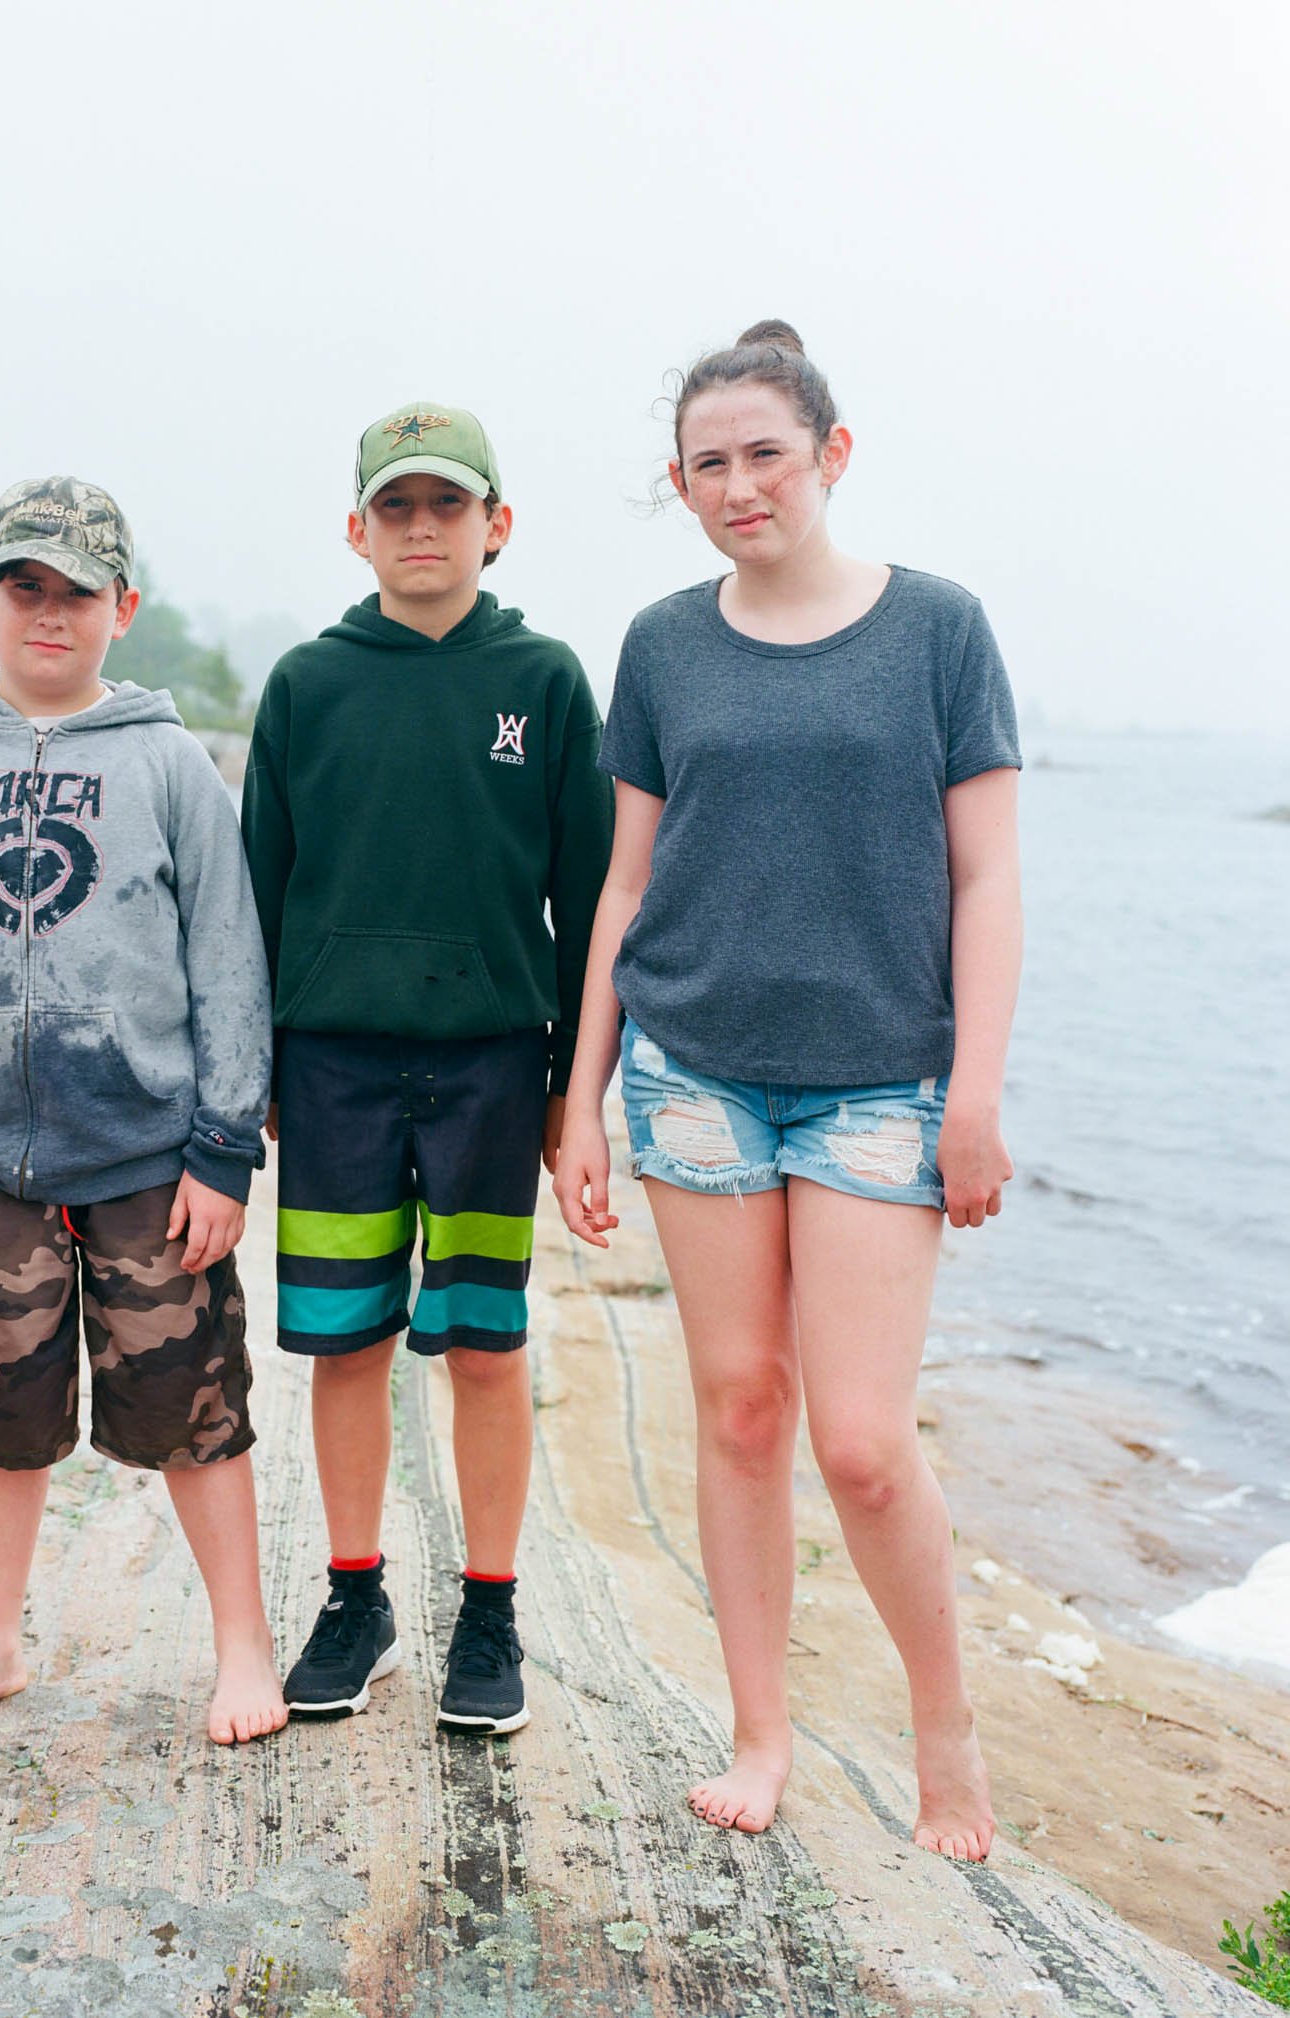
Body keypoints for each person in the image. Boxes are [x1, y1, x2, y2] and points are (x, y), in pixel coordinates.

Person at [556, 321, 1021, 1861]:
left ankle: (940, 1721)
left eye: (766, 451)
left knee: (867, 1442)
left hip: (883, 1084)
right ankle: (759, 1728)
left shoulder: (940, 630)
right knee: (743, 1407)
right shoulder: (663, 645)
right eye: (709, 462)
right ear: (677, 486)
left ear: (831, 452)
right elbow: (625, 885)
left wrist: (975, 1093)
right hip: (695, 1074)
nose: (740, 483)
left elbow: (989, 874)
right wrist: (584, 1098)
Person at [0, 476, 285, 1749]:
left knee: (194, 1402)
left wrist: (221, 1147)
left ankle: (239, 1642)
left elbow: (229, 962)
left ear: (121, 607)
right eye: (23, 585)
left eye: (76, 591)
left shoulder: (166, 764)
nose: (48, 612)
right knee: (3, 1409)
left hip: (147, 1151)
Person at [243, 404, 615, 1734]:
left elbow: (590, 902)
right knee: (349, 1344)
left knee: (485, 1346)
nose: (420, 528)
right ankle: (357, 1595)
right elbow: (258, 895)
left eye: (446, 506)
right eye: (395, 507)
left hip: (494, 1068)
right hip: (334, 1064)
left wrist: (577, 1095)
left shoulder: (550, 682)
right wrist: (262, 1071)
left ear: (494, 526)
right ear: (358, 528)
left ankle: (493, 1604)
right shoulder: (306, 684)